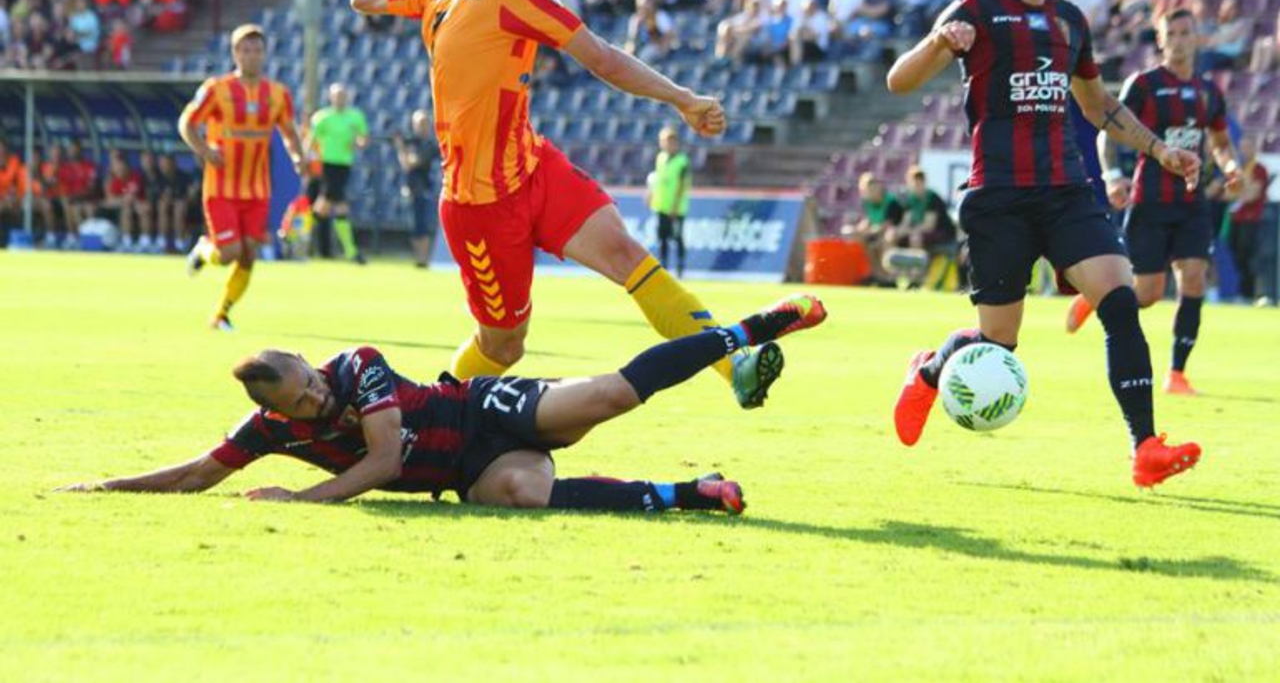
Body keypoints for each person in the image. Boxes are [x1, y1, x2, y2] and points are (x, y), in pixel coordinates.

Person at [350, 0, 781, 409]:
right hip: (480, 204)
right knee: (504, 346)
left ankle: (736, 368)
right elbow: (602, 59)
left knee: (627, 255)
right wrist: (682, 99)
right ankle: (426, 417)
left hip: (533, 167)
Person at [885, 0, 1203, 488]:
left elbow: (1097, 105)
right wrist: (937, 42)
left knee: (1120, 300)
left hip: (1066, 191)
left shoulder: (1070, 21)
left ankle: (1145, 447)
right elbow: (898, 80)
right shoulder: (977, 9)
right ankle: (928, 372)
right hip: (999, 196)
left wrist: (1159, 150)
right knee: (999, 343)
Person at [59, 294, 827, 510]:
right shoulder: (269, 430)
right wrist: (106, 486)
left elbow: (384, 459)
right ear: (281, 413)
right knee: (525, 495)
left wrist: (305, 499)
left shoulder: (356, 364)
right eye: (303, 396)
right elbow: (198, 472)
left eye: (310, 375)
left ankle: (750, 329)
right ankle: (693, 492)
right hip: (468, 471)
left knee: (610, 395)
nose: (317, 390)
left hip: (479, 411)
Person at [1064, 10, 1241, 396]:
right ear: (1160, 41)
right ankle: (1096, 296)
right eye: (1170, 33)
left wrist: (1231, 168)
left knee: (1193, 278)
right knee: (1146, 295)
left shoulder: (1209, 92)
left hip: (1192, 201)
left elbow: (1221, 142)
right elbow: (1108, 130)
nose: (1178, 40)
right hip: (1150, 200)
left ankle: (1177, 373)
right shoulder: (1144, 84)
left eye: (1185, 32)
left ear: (1196, 38)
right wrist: (1113, 176)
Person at [179, 24, 305, 331]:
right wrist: (204, 150)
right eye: (246, 50)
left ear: (265, 53)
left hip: (257, 189)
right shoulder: (217, 89)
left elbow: (289, 132)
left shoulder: (278, 94)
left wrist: (298, 156)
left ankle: (221, 314)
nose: (252, 56)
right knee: (228, 254)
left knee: (249, 255)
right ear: (235, 53)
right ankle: (203, 249)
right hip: (221, 187)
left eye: (257, 50)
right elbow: (187, 122)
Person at [306, 82, 369, 264]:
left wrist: (359, 143)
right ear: (331, 97)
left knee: (324, 205)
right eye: (337, 95)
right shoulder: (322, 117)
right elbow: (311, 141)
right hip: (328, 164)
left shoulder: (355, 116)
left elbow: (363, 139)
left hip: (345, 165)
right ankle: (351, 251)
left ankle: (295, 237)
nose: (340, 99)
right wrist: (305, 162)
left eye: (343, 95)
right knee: (338, 205)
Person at [394, 107, 440, 268]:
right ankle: (419, 259)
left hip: (425, 190)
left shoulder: (430, 145)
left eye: (424, 123)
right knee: (414, 226)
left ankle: (424, 259)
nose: (422, 127)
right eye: (419, 123)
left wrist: (400, 148)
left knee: (423, 226)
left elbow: (409, 164)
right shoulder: (412, 142)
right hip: (411, 189)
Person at [1227, 136, 1271, 304]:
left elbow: (1253, 194)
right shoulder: (1239, 169)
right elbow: (1227, 194)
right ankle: (1243, 292)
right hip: (1236, 218)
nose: (1244, 151)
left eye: (1247, 147)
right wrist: (1243, 190)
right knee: (1236, 255)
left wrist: (1240, 191)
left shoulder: (1259, 169)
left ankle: (1250, 294)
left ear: (1254, 148)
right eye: (1242, 147)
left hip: (1252, 218)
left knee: (1249, 256)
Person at [647, 126, 691, 277]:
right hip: (660, 206)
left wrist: (675, 206)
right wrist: (651, 195)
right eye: (663, 141)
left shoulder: (682, 161)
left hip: (676, 209)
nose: (666, 144)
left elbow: (682, 185)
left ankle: (680, 267)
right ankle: (663, 267)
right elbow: (657, 180)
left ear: (676, 142)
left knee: (677, 238)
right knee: (662, 239)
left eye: (669, 141)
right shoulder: (660, 158)